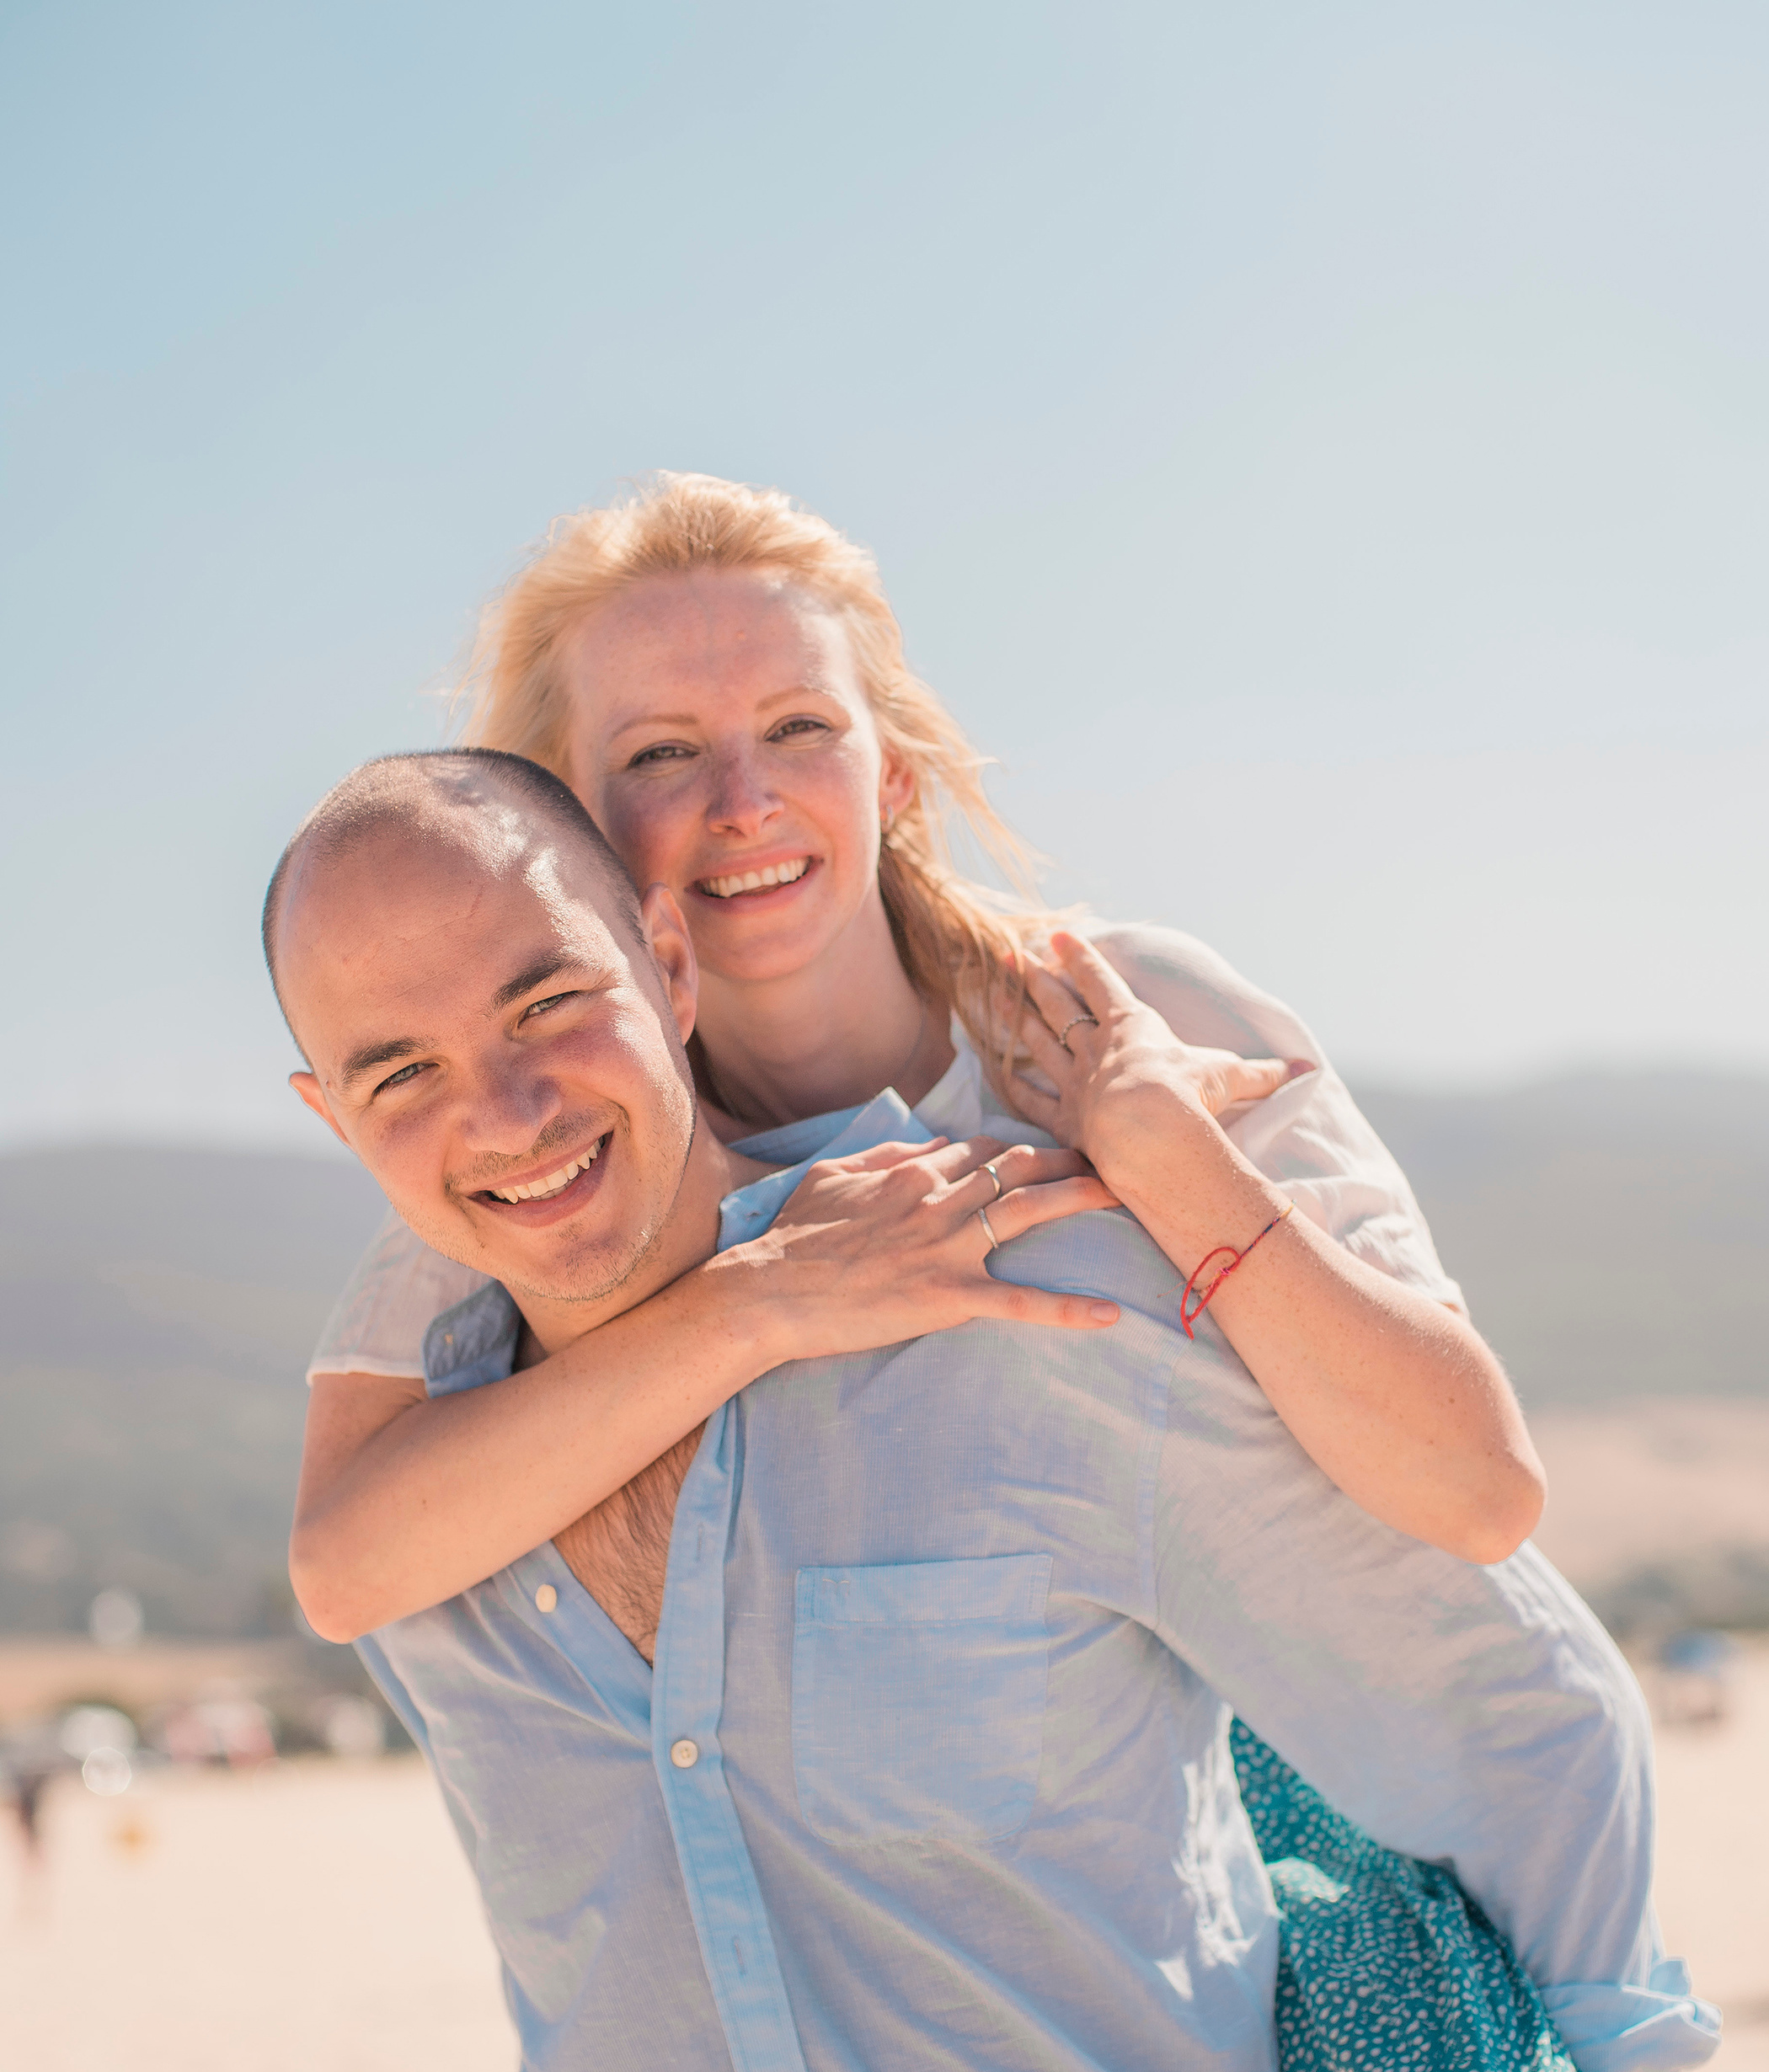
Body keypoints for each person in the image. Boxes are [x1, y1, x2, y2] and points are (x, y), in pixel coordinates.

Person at [269, 750, 1713, 2072]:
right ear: (332, 1119)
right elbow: (350, 1539)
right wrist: (756, 1303)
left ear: (671, 977)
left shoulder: (1019, 1298)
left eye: (554, 1005)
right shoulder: (420, 1472)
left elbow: (1497, 1687)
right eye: (403, 1075)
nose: (510, 1107)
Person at [291, 473, 1548, 1647]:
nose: (743, 801)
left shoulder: (1127, 1013)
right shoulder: (557, 1152)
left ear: (888, 773)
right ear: (562, 821)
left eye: (798, 727)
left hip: (1484, 1813)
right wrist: (765, 1299)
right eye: (662, 753)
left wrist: (1170, 1162)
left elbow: (1480, 1491)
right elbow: (349, 1565)